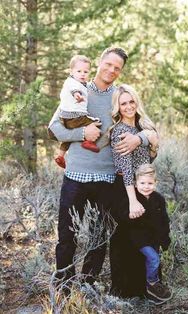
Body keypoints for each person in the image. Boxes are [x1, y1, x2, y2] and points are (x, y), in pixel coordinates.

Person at [48, 47, 149, 293]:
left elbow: (147, 126)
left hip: (107, 180)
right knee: (67, 236)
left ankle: (87, 286)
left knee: (98, 238)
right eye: (109, 64)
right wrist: (83, 133)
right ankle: (64, 289)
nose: (112, 70)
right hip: (76, 177)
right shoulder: (77, 89)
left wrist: (141, 138)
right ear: (100, 62)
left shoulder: (119, 96)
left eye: (118, 68)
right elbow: (53, 129)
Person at [109, 84, 163, 300]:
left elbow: (150, 157)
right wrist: (132, 201)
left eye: (132, 101)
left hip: (144, 189)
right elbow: (125, 169)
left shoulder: (142, 127)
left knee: (148, 237)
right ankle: (125, 292)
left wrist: (152, 143)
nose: (129, 106)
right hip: (126, 191)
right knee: (127, 240)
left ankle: (148, 288)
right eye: (123, 103)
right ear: (118, 107)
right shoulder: (120, 131)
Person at [131, 164, 172, 301]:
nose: (146, 186)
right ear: (135, 184)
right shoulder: (134, 199)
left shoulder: (158, 198)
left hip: (155, 238)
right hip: (140, 239)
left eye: (150, 183)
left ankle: (150, 288)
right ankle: (152, 283)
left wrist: (165, 238)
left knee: (152, 260)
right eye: (142, 183)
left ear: (155, 183)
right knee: (154, 258)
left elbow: (164, 219)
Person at [53, 55, 100, 169]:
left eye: (86, 71)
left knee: (69, 138)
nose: (82, 74)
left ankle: (60, 155)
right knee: (97, 122)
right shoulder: (73, 82)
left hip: (66, 118)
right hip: (74, 116)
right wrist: (77, 95)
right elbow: (75, 90)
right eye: (79, 71)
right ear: (71, 72)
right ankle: (88, 141)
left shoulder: (81, 83)